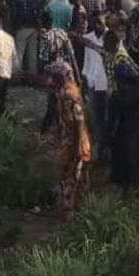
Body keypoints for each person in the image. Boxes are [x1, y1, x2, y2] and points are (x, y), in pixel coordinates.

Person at [104, 30, 139, 191]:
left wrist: (117, 102)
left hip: (130, 109)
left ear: (112, 44)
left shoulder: (120, 62)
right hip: (133, 107)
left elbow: (124, 87)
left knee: (127, 148)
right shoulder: (120, 56)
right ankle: (131, 182)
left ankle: (128, 183)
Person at [48, 60, 91, 213]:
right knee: (77, 175)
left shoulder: (68, 94)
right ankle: (80, 209)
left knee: (70, 174)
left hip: (75, 140)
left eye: (54, 76)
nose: (51, 79)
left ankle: (69, 210)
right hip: (75, 138)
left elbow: (79, 121)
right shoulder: (68, 89)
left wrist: (77, 145)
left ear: (63, 76)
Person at [37, 10, 79, 133]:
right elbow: (72, 54)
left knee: (53, 100)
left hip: (54, 72)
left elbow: (43, 59)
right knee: (66, 99)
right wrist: (77, 75)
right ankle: (62, 126)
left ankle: (47, 127)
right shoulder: (62, 32)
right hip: (67, 70)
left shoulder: (45, 37)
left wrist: (41, 75)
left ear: (41, 23)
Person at [82, 16, 109, 159]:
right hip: (92, 80)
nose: (100, 26)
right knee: (94, 116)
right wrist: (85, 78)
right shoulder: (88, 37)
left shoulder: (111, 38)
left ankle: (103, 145)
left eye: (102, 23)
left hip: (105, 83)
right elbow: (87, 60)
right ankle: (97, 145)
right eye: (97, 23)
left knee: (105, 116)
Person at [11, 0, 40, 76]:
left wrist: (14, 26)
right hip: (33, 28)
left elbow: (14, 14)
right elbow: (39, 13)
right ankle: (32, 74)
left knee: (19, 53)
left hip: (21, 27)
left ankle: (16, 75)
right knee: (32, 53)